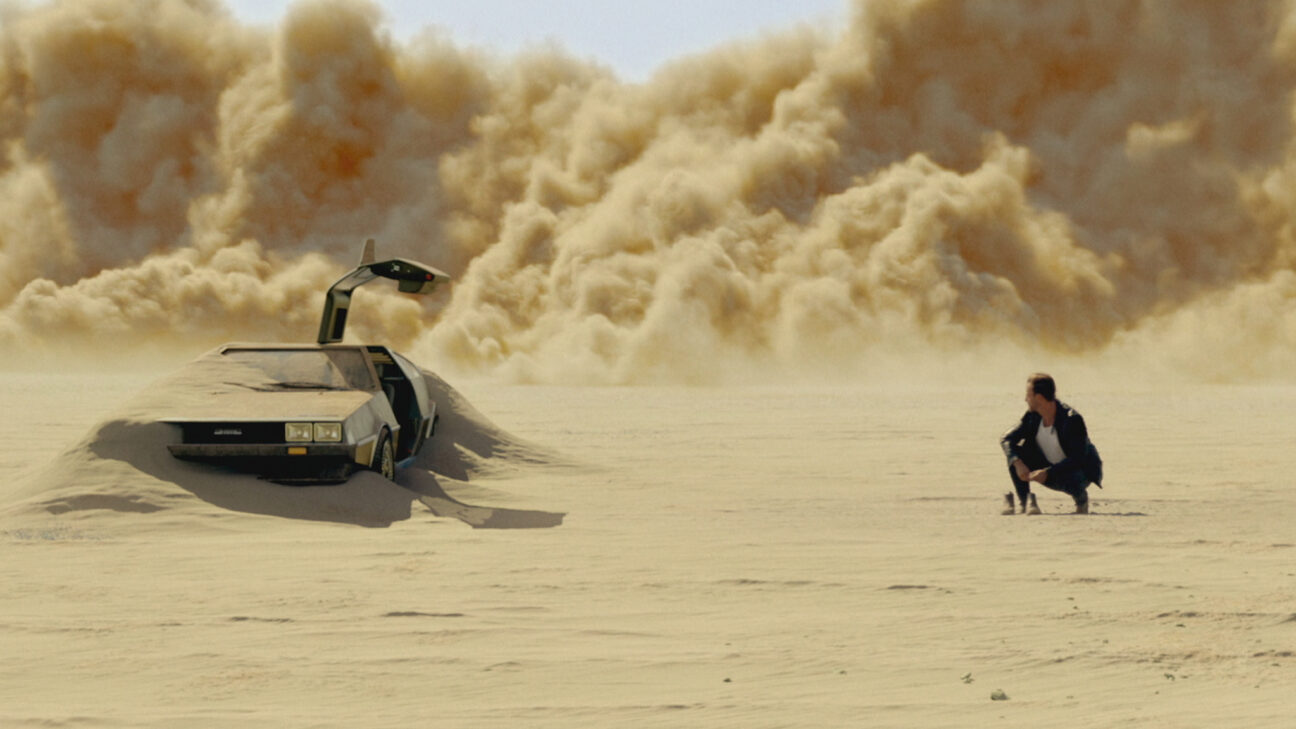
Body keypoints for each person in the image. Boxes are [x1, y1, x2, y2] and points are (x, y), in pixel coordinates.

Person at [998, 373, 1103, 515]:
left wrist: (1048, 472)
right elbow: (1006, 439)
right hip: (1048, 467)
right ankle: (1025, 502)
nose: (1025, 399)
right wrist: (1017, 462)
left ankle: (1081, 500)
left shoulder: (1072, 419)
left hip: (1078, 473)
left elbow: (1078, 458)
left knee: (1074, 477)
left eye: (1028, 395)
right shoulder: (1032, 416)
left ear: (1039, 398)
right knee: (1014, 454)